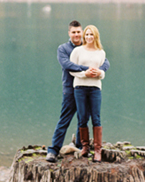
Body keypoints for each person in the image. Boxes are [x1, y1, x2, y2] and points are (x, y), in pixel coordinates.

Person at [45, 20, 108, 163]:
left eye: (79, 32)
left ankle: (81, 146)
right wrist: (86, 70)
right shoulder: (63, 49)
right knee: (65, 119)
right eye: (74, 32)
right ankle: (53, 150)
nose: (77, 34)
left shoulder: (88, 46)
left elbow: (105, 61)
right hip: (70, 88)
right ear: (69, 33)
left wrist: (100, 71)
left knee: (83, 118)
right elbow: (67, 64)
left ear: (82, 33)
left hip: (89, 88)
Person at [71, 25, 108, 163]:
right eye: (86, 34)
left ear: (95, 36)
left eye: (91, 34)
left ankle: (97, 150)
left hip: (95, 88)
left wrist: (100, 73)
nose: (88, 37)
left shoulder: (101, 52)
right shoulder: (77, 51)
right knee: (82, 118)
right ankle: (85, 147)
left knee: (96, 118)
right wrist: (83, 74)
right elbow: (71, 69)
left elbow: (102, 71)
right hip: (80, 87)